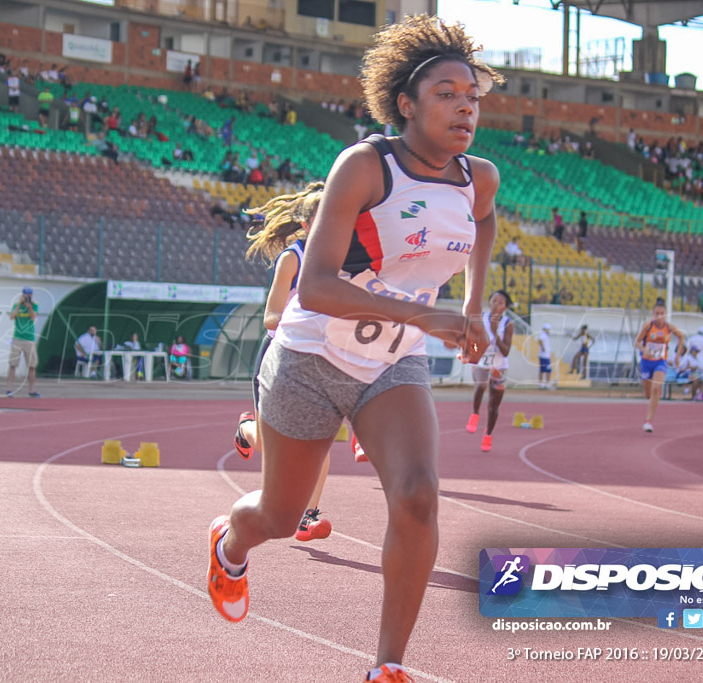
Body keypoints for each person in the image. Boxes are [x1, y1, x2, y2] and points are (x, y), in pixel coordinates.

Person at [205, 16, 499, 683]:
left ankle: (386, 666)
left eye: (473, 96)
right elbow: (315, 287)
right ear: (407, 104)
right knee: (280, 515)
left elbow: (483, 223)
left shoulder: (478, 177)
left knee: (419, 494)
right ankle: (229, 544)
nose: (465, 107)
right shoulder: (367, 166)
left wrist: (475, 302)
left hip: (391, 363)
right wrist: (428, 313)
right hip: (310, 360)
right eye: (448, 93)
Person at [235, 182, 342, 541]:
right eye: (322, 218)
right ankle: (245, 430)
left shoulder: (342, 260)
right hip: (280, 356)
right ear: (307, 224)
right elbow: (270, 317)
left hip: (321, 359)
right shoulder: (292, 258)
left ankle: (307, 516)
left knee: (319, 440)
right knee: (268, 444)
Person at [465, 290, 513, 452]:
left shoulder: (508, 324)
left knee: (493, 406)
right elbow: (472, 340)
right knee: (481, 384)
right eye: (494, 300)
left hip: (499, 367)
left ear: (505, 307)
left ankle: (488, 434)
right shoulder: (481, 319)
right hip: (481, 362)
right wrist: (473, 352)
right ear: (489, 302)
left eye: (501, 302)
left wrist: (494, 333)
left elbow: (506, 351)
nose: (496, 304)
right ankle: (475, 413)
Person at [635, 298, 685, 432]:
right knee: (648, 394)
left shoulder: (669, 327)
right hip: (646, 362)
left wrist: (677, 356)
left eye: (662, 313)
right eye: (656, 313)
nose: (659, 316)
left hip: (661, 362)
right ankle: (655, 391)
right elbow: (637, 342)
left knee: (656, 389)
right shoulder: (648, 326)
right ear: (653, 314)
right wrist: (645, 350)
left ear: (665, 314)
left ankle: (648, 421)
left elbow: (681, 337)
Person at [6, 287, 40, 397]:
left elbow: (34, 317)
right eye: (26, 295)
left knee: (32, 365)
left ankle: (31, 390)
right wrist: (19, 304)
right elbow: (12, 316)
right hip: (17, 338)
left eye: (30, 295)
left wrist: (29, 307)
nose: (28, 297)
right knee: (13, 364)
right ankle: (9, 389)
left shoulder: (34, 305)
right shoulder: (17, 306)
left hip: (29, 339)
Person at [537, 322, 553, 389]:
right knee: (547, 370)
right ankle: (546, 384)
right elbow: (540, 340)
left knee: (543, 370)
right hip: (544, 356)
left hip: (544, 355)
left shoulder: (545, 335)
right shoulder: (543, 335)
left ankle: (542, 384)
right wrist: (543, 347)